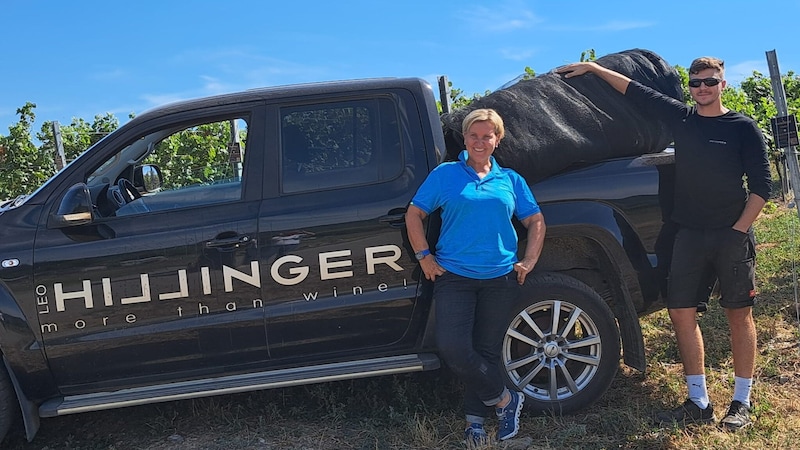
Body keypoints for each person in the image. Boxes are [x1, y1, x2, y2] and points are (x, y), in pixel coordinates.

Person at [556, 57, 771, 431]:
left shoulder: (742, 128)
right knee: (681, 313)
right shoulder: (682, 118)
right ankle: (698, 401)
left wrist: (739, 231)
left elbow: (762, 187)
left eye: (709, 81)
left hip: (731, 234)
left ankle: (742, 400)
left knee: (738, 315)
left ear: (723, 84)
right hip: (689, 234)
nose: (702, 88)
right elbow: (636, 92)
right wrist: (592, 68)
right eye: (695, 83)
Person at [405, 108, 545, 445]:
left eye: (487, 136)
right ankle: (506, 400)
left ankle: (475, 424)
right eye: (473, 135)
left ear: (497, 140)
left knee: (485, 351)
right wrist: (424, 256)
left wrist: (528, 260)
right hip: (454, 275)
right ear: (465, 139)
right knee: (453, 347)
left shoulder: (510, 180)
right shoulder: (446, 175)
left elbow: (535, 221)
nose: (480, 142)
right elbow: (414, 215)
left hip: (500, 278)